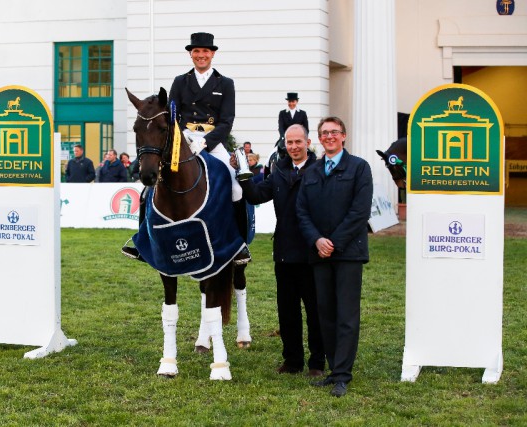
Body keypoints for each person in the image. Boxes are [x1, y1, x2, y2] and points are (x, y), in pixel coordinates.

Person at [122, 32, 250, 264]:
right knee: (149, 189)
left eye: (205, 51)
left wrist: (206, 142)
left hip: (212, 142)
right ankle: (142, 242)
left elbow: (227, 121)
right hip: (183, 140)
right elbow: (172, 116)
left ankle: (238, 244)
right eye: (197, 52)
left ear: (212, 54)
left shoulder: (226, 84)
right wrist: (183, 138)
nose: (201, 55)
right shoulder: (180, 82)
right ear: (191, 54)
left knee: (235, 187)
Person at [231, 124, 325, 378]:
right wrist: (243, 172)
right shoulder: (279, 171)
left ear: (307, 142)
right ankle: (292, 361)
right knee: (287, 310)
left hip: (312, 252)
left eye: (298, 142)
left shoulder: (319, 169)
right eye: (289, 142)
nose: (293, 147)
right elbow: (256, 196)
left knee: (315, 311)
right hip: (284, 252)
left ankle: (317, 362)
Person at [296, 116, 373, 398]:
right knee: (325, 314)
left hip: (348, 254)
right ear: (319, 138)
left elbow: (359, 212)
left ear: (344, 136)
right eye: (324, 133)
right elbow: (301, 211)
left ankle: (342, 374)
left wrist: (334, 243)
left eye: (334, 132)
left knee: (346, 316)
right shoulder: (312, 172)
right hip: (320, 254)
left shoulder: (359, 168)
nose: (329, 136)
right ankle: (333, 369)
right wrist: (317, 240)